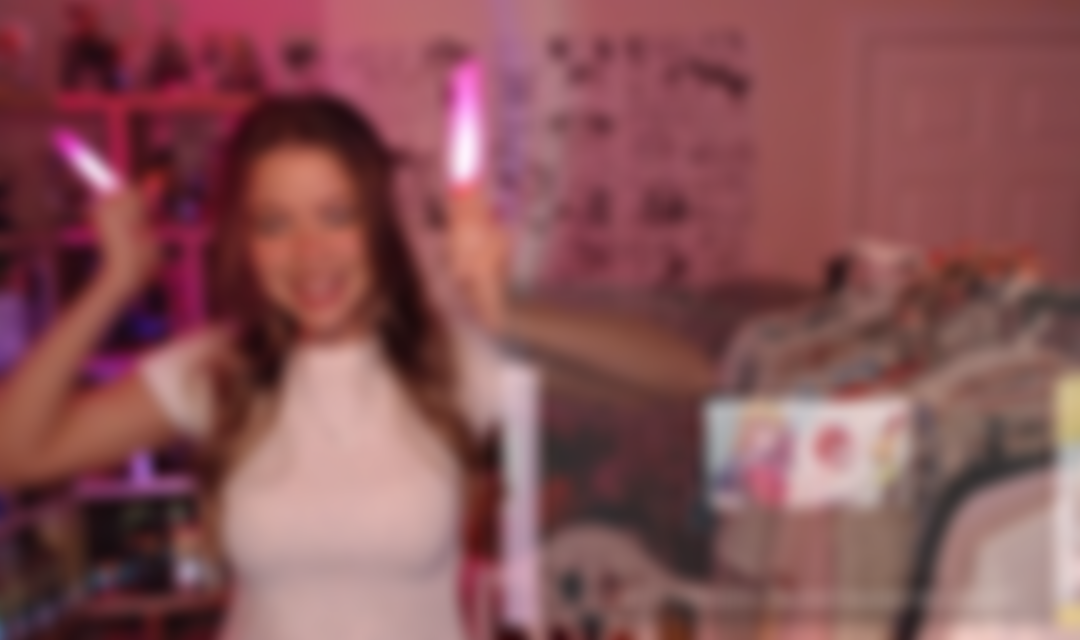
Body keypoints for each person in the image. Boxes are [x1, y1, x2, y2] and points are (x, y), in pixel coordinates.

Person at [0, 93, 714, 640]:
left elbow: (687, 374)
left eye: (336, 214)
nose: (309, 252)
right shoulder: (218, 370)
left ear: (378, 223)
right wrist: (112, 285)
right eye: (275, 223)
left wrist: (507, 315)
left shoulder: (445, 362)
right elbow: (16, 453)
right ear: (247, 243)